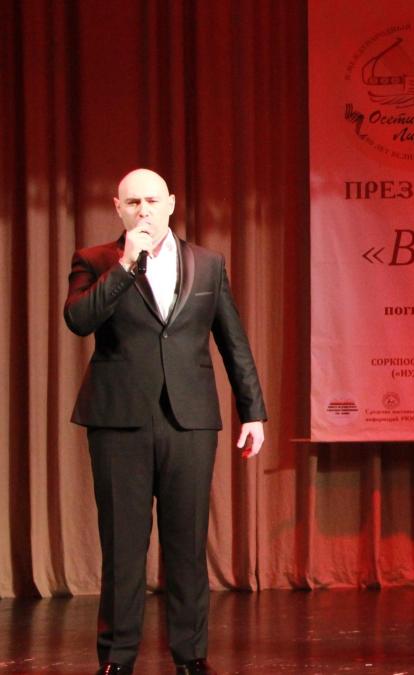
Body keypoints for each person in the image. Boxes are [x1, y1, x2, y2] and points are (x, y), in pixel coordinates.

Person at [64, 169, 267, 675]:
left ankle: (191, 656)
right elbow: (79, 320)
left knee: (187, 544)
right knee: (122, 546)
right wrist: (125, 266)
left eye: (152, 201)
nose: (144, 211)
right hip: (119, 421)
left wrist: (253, 411)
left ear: (171, 204)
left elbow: (233, 341)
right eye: (133, 202)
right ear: (118, 207)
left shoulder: (208, 264)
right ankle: (117, 658)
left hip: (189, 419)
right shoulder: (94, 260)